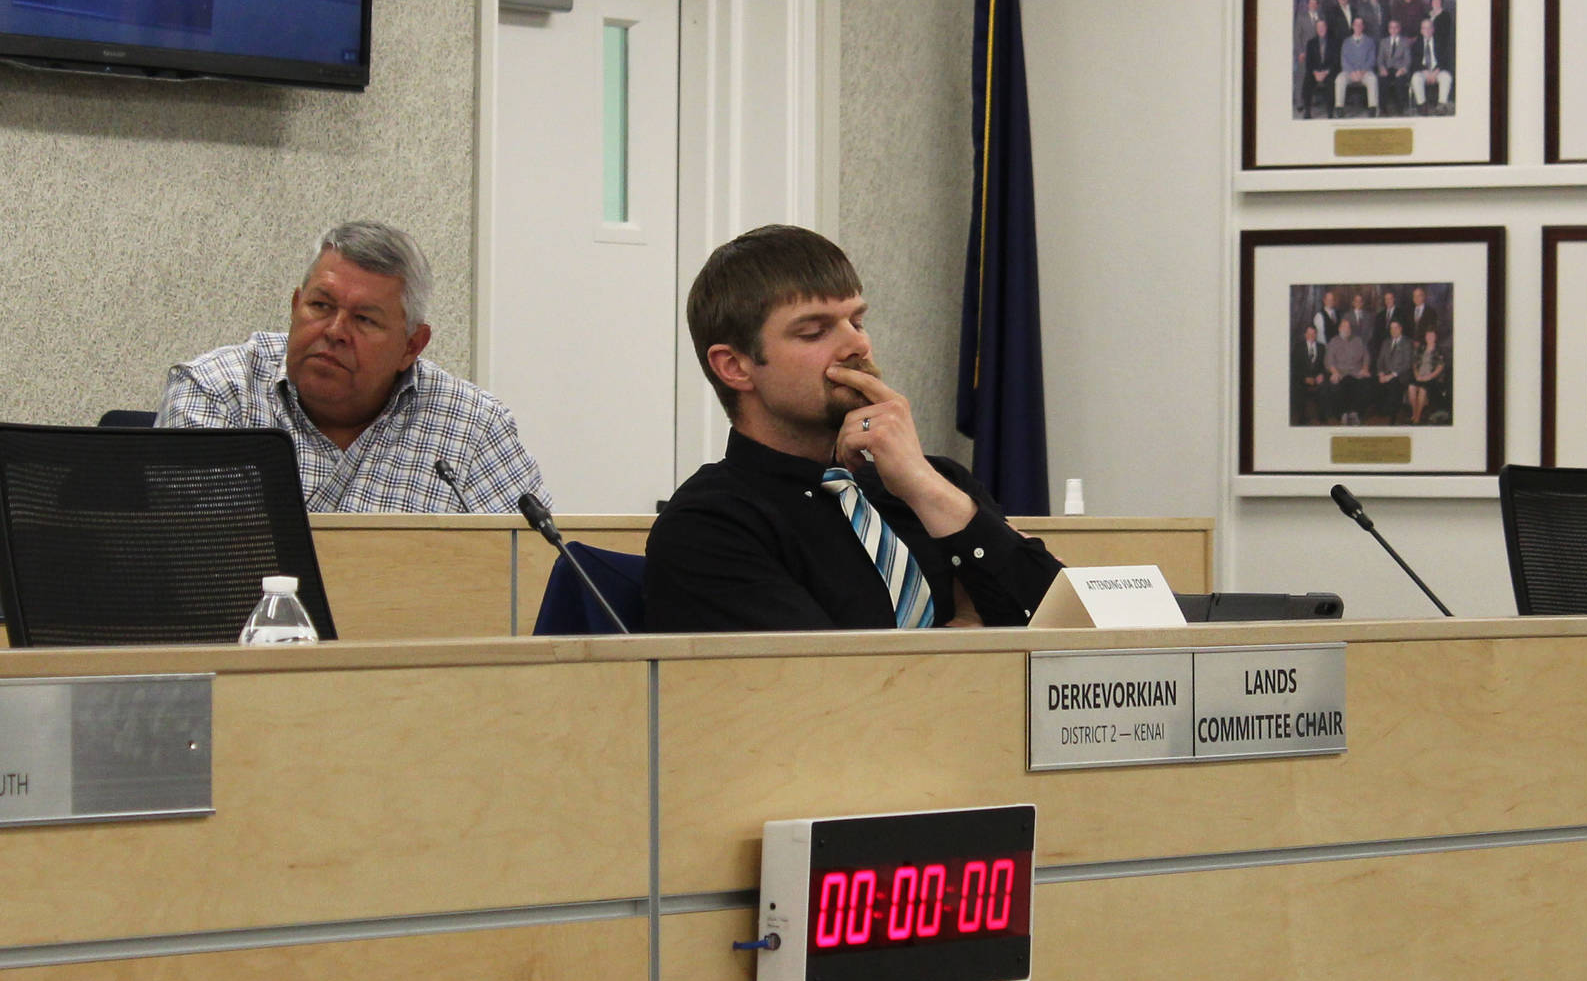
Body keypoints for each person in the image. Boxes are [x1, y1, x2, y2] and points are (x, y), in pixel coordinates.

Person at [642, 225, 1062, 632]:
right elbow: (829, 687)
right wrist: (963, 639)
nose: (857, 345)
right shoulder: (708, 525)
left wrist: (925, 489)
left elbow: (1071, 628)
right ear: (735, 367)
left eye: (857, 322)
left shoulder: (932, 482)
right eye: (814, 332)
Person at [157, 221, 550, 514]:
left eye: (364, 319)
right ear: (296, 307)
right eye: (321, 306)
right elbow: (188, 567)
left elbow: (530, 576)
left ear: (411, 346)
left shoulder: (473, 427)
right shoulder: (216, 394)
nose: (335, 331)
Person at [1323, 317, 1371, 424]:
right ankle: (1342, 414)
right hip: (1340, 372)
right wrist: (1334, 372)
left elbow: (1366, 356)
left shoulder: (1358, 340)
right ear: (1339, 328)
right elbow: (1328, 360)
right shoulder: (1333, 341)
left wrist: (1365, 368)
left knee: (1366, 383)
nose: (1346, 329)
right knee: (1335, 384)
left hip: (1356, 372)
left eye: (1348, 327)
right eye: (1344, 327)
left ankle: (1355, 413)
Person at [1335, 15, 1379, 117]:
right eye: (1356, 24)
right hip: (1350, 72)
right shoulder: (1346, 42)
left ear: (1363, 27)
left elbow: (1372, 59)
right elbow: (1344, 60)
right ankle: (1339, 107)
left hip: (1365, 72)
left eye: (1360, 24)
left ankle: (1373, 108)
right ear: (1352, 26)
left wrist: (1363, 71)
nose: (1358, 27)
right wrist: (1352, 72)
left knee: (1372, 79)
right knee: (1339, 79)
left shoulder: (1370, 41)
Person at [1409, 16, 1452, 113]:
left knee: (1446, 77)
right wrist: (1425, 71)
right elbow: (1414, 62)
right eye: (1424, 28)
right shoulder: (1416, 44)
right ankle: (1422, 105)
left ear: (1433, 29)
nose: (1427, 30)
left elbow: (1445, 59)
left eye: (1429, 27)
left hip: (1437, 71)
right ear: (1421, 31)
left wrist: (1436, 71)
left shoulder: (1441, 42)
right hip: (1423, 71)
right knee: (1416, 78)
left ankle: (1441, 105)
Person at [1300, 16, 1340, 116]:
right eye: (1319, 27)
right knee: (1307, 81)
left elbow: (1336, 61)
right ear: (1316, 29)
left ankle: (1330, 112)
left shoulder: (1334, 42)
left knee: (1331, 83)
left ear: (1326, 27)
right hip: (1315, 72)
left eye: (1323, 26)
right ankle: (1307, 111)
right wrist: (1315, 72)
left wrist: (1326, 72)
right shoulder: (1311, 43)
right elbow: (1308, 62)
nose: (1321, 29)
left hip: (1328, 71)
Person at [1407, 328, 1447, 425]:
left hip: (1432, 377)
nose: (1429, 337)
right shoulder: (1421, 347)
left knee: (1422, 389)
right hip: (1419, 375)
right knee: (1411, 387)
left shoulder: (1439, 350)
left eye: (1431, 335)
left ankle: (1418, 417)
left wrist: (1428, 377)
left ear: (1435, 337)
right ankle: (1414, 413)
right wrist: (1417, 374)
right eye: (1427, 335)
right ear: (1425, 337)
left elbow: (1440, 367)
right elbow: (1414, 363)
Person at [1291, 323, 1327, 424]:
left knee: (1325, 387)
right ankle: (1301, 417)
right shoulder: (1298, 347)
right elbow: (1294, 367)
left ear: (1316, 335)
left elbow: (1325, 366)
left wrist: (1322, 374)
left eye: (1313, 333)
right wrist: (1304, 378)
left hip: (1317, 379)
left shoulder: (1322, 347)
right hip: (1303, 379)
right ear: (1305, 335)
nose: (1311, 336)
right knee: (1297, 387)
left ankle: (1322, 416)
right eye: (1309, 333)